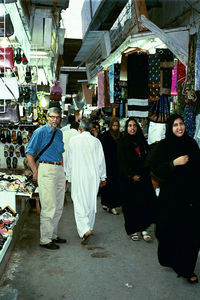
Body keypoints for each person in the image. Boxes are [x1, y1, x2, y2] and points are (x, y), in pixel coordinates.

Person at [146, 113, 200, 284]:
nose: (179, 127)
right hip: (171, 199)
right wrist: (173, 164)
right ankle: (174, 260)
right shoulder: (163, 146)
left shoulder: (191, 144)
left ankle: (187, 269)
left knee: (191, 234)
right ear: (170, 128)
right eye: (175, 125)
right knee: (171, 232)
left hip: (191, 198)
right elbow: (154, 169)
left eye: (181, 124)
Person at [26, 107, 66, 250]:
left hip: (59, 170)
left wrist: (63, 170)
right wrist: (35, 172)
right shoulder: (40, 132)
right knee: (49, 206)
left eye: (57, 117)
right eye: (52, 117)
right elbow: (29, 153)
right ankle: (45, 239)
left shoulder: (60, 133)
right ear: (47, 117)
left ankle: (53, 234)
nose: (55, 120)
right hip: (46, 169)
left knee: (59, 205)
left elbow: (60, 153)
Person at [65, 118, 106, 244]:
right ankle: (88, 228)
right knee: (90, 202)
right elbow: (101, 161)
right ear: (91, 128)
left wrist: (68, 175)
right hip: (92, 176)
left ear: (80, 128)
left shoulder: (73, 141)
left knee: (78, 201)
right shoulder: (96, 141)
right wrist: (102, 177)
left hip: (78, 175)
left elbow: (69, 160)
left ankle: (85, 229)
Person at [117, 117, 156, 242]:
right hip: (128, 181)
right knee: (130, 206)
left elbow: (147, 158)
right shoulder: (122, 143)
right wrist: (131, 175)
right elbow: (121, 162)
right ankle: (133, 230)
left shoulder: (142, 142)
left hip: (143, 178)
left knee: (144, 204)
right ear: (126, 128)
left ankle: (144, 228)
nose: (132, 128)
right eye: (130, 126)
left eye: (134, 126)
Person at [100, 117, 122, 215]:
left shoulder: (121, 136)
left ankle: (110, 204)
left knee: (114, 185)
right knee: (107, 185)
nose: (115, 128)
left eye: (116, 126)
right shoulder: (105, 136)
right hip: (107, 164)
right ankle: (108, 204)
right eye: (113, 126)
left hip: (117, 165)